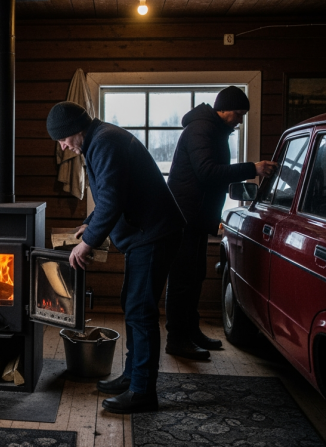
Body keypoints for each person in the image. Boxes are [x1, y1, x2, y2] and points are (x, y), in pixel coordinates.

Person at [46, 101, 185, 413]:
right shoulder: (100, 139)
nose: (63, 146)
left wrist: (88, 242)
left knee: (140, 311)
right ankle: (132, 377)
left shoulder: (105, 142)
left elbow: (112, 198)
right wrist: (91, 224)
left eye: (63, 139)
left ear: (75, 130)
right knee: (132, 306)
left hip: (153, 236)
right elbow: (115, 192)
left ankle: (142, 392)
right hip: (145, 235)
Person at [164, 86, 277, 360]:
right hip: (184, 219)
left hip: (196, 219)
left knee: (194, 276)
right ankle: (177, 340)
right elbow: (207, 172)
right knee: (182, 280)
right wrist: (253, 168)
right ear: (223, 109)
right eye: (237, 114)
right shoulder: (201, 129)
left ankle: (191, 331)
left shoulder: (214, 129)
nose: (239, 120)